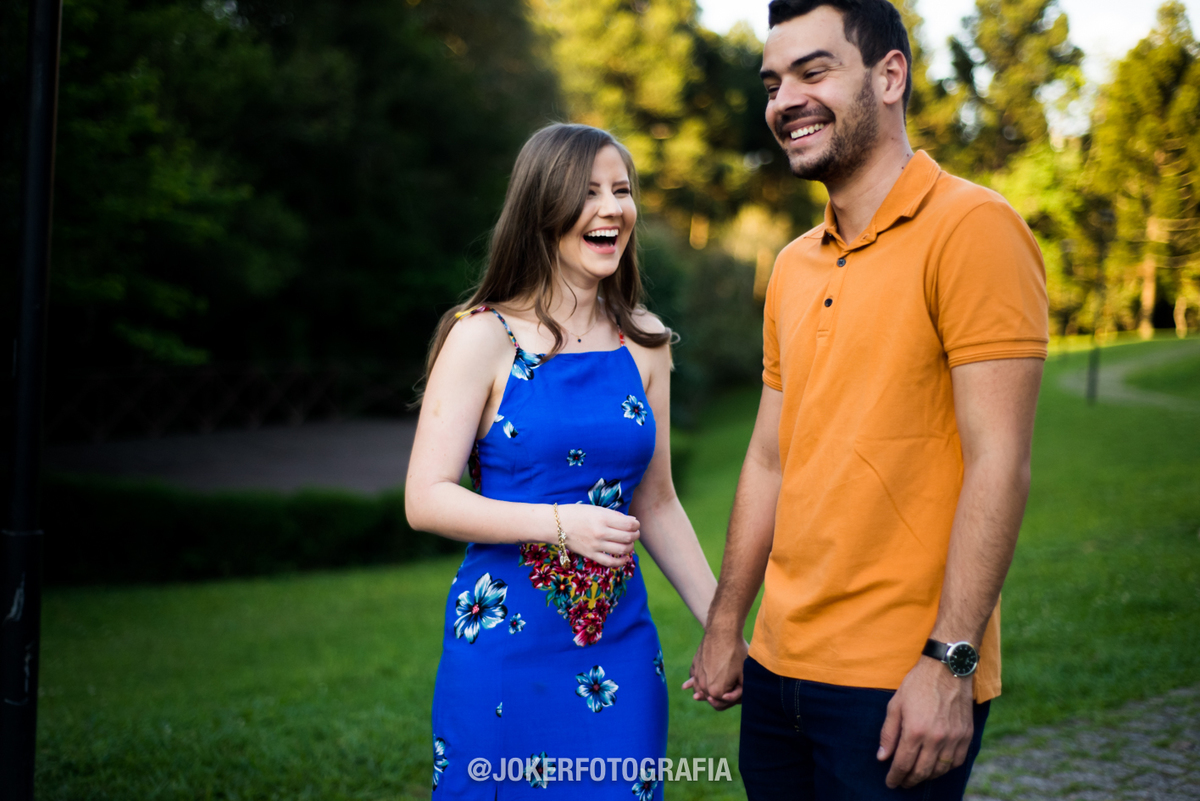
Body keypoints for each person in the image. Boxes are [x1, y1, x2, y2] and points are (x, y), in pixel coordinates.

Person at [685, 1, 1049, 799]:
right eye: (774, 82)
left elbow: (1001, 461)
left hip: (898, 682)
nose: (785, 100)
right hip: (777, 674)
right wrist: (725, 623)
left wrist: (950, 662)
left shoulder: (974, 229)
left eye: (814, 71)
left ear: (891, 76)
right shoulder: (791, 266)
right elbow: (770, 457)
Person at [405, 122, 717, 799]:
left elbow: (657, 500)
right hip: (503, 648)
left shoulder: (648, 341)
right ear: (543, 208)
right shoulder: (481, 336)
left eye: (623, 190)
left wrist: (723, 625)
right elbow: (425, 496)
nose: (612, 208)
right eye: (589, 191)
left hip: (619, 647)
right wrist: (557, 522)